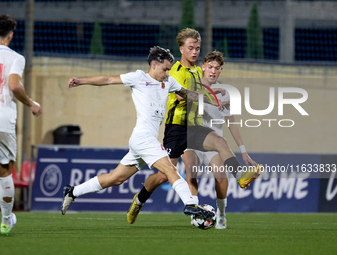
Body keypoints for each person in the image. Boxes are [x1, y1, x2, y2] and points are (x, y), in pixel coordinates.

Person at [61, 46, 226, 219]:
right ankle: (191, 205)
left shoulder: (168, 82)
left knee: (115, 178)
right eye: (165, 69)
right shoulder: (139, 78)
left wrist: (210, 100)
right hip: (143, 138)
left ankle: (73, 191)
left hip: (143, 140)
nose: (168, 73)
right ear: (154, 65)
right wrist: (81, 81)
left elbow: (186, 93)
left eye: (169, 69)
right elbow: (108, 79)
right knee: (170, 169)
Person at [127, 29, 262, 224]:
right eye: (190, 48)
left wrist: (217, 96)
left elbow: (202, 90)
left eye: (197, 48)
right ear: (181, 49)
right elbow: (183, 95)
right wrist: (212, 96)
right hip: (176, 128)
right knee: (164, 176)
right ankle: (139, 200)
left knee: (219, 140)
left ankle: (240, 176)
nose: (195, 52)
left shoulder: (198, 71)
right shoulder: (174, 71)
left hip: (195, 126)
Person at [185, 51, 259, 229]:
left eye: (216, 68)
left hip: (214, 143)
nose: (213, 71)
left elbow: (232, 123)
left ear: (221, 70)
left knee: (220, 178)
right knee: (191, 171)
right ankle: (195, 211)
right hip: (191, 140)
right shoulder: (192, 85)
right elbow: (189, 97)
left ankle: (222, 213)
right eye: (210, 67)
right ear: (203, 67)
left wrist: (243, 151)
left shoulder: (225, 93)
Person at [0, 14, 42, 235]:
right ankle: (6, 220)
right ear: (11, 35)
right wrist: (31, 103)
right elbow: (14, 86)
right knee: (4, 172)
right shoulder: (15, 57)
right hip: (2, 120)